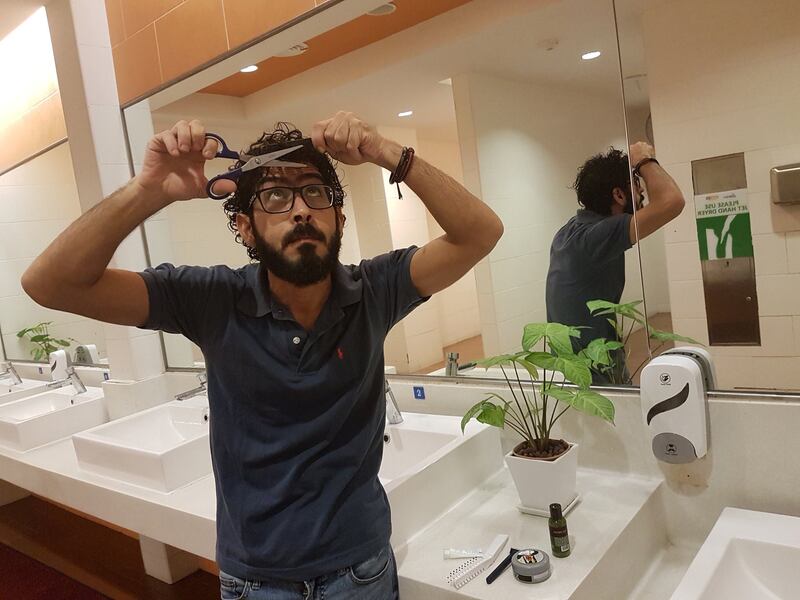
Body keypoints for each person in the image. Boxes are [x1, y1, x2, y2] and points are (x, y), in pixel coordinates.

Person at [21, 112, 503, 599]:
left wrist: (385, 152)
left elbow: (480, 233)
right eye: (276, 196)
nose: (301, 211)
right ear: (245, 228)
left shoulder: (375, 291)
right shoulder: (211, 300)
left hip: (360, 569)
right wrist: (150, 189)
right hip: (255, 580)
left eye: (316, 192)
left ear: (338, 217)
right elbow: (50, 283)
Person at [545, 142, 684, 383]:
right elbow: (672, 201)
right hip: (593, 371)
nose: (642, 196)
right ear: (619, 195)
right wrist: (643, 161)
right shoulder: (597, 236)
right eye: (637, 188)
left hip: (572, 368)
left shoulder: (569, 231)